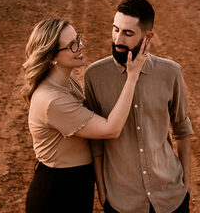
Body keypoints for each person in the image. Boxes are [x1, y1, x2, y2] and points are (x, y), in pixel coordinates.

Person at [23, 17, 151, 213]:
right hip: (57, 192)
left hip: (76, 183)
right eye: (72, 45)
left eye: (78, 38)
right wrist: (132, 77)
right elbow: (111, 129)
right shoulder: (52, 100)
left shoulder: (67, 80)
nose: (81, 46)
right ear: (51, 57)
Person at [83, 0, 193, 213]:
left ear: (147, 36)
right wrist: (102, 191)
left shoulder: (170, 72)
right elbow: (96, 142)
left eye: (128, 33)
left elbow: (182, 128)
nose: (117, 39)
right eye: (115, 30)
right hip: (121, 200)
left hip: (170, 196)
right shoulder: (94, 76)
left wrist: (186, 185)